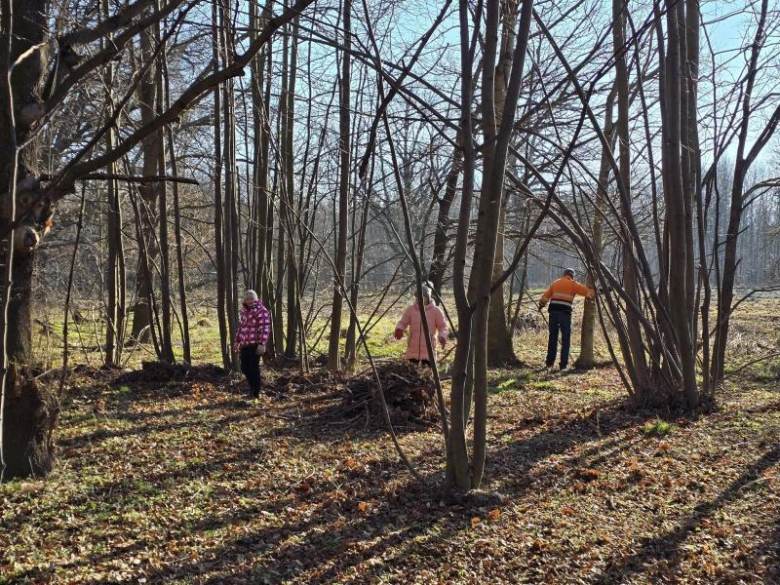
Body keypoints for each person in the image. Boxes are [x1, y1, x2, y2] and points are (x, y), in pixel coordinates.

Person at [539, 268, 595, 370]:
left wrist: (541, 305)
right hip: (565, 314)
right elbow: (588, 293)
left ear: (564, 274)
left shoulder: (556, 283)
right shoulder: (573, 284)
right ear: (572, 276)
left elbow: (545, 297)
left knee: (552, 338)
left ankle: (549, 363)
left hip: (553, 313)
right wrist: (602, 290)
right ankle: (563, 365)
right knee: (566, 340)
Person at [394, 281, 448, 366]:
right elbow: (403, 322)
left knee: (427, 374)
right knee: (411, 373)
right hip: (412, 348)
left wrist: (442, 336)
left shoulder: (436, 311)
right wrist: (399, 329)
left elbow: (443, 327)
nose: (420, 299)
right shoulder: (411, 310)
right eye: (418, 296)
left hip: (429, 349)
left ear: (428, 297)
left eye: (422, 297)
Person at [233, 290, 271, 398]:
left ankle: (256, 394)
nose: (249, 301)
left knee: (254, 369)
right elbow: (241, 328)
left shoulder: (261, 311)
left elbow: (265, 328)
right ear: (245, 300)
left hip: (255, 345)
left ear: (256, 299)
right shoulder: (244, 312)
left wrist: (262, 343)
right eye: (247, 299)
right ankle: (252, 389)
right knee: (244, 368)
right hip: (245, 345)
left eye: (251, 298)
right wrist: (237, 341)